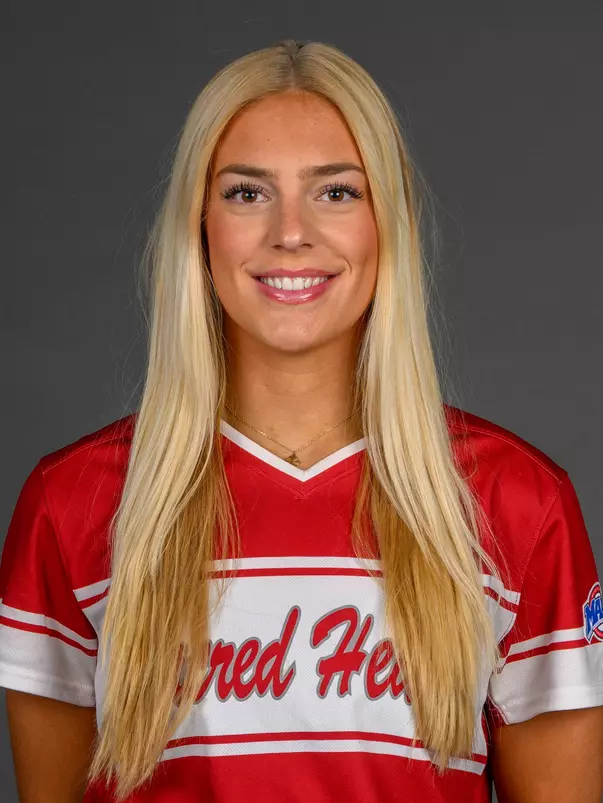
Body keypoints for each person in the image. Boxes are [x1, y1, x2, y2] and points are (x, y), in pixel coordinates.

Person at [1, 38, 602, 803]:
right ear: (199, 225)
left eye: (336, 192)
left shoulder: (517, 502)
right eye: (246, 193)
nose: (290, 231)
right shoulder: (72, 504)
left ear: (390, 221)